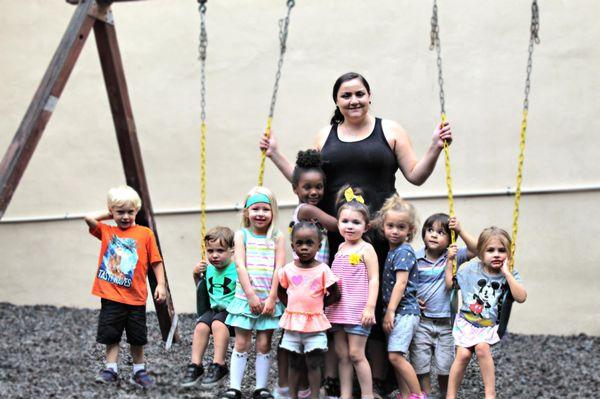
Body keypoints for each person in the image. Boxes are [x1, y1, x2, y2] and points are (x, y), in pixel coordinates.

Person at [260, 72, 453, 397]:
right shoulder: (326, 135)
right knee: (338, 303)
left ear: (369, 95)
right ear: (337, 101)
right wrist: (275, 153)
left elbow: (416, 175)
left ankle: (378, 379)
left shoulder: (389, 130)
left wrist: (435, 146)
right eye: (346, 95)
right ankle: (337, 379)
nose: (354, 101)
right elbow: (305, 180)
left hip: (382, 235)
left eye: (359, 94)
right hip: (338, 235)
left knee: (375, 302)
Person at [84, 185, 166, 389]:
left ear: (137, 211)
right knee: (111, 334)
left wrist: (161, 284)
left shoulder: (145, 234)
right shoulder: (107, 231)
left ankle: (139, 371)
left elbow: (156, 261)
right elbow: (88, 218)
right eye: (120, 212)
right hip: (112, 297)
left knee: (137, 337)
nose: (126, 216)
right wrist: (110, 212)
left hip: (136, 297)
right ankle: (110, 369)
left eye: (131, 211)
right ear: (112, 212)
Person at [274, 149, 338, 399]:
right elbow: (335, 225)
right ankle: (293, 388)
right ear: (296, 189)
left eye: (319, 187)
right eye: (307, 187)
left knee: (308, 345)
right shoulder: (306, 211)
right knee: (296, 343)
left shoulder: (309, 209)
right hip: (305, 284)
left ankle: (302, 388)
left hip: (313, 284)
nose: (314, 192)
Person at [219, 186, 286, 399]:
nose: (260, 214)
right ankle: (235, 388)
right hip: (245, 299)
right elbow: (240, 266)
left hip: (269, 300)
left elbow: (279, 268)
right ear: (247, 212)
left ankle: (261, 388)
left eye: (265, 209)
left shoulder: (277, 236)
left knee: (265, 343)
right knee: (241, 342)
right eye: (255, 208)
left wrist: (272, 298)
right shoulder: (242, 235)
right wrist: (250, 296)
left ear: (273, 212)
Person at [444, 227, 527, 399]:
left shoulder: (509, 274)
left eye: (501, 250)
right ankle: (450, 396)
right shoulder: (470, 270)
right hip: (466, 322)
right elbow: (450, 285)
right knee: (463, 354)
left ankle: (490, 394)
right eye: (490, 250)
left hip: (488, 326)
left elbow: (521, 297)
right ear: (481, 253)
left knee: (482, 347)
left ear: (509, 253)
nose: (496, 254)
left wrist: (507, 274)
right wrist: (450, 261)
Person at [410, 214, 477, 398]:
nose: (433, 235)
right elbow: (406, 285)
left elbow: (477, 249)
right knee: (420, 363)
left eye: (440, 232)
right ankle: (427, 394)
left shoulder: (452, 256)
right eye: (430, 230)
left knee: (445, 366)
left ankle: (445, 394)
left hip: (446, 323)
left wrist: (460, 231)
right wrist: (413, 299)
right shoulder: (415, 258)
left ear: (449, 239)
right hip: (422, 322)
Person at [324, 186, 379, 399]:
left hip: (358, 311)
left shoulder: (366, 249)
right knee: (342, 355)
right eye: (345, 221)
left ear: (365, 227)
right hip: (338, 309)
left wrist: (370, 307)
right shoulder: (340, 249)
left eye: (356, 222)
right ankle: (345, 395)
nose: (350, 226)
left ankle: (367, 395)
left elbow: (374, 279)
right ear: (338, 224)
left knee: (356, 354)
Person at [277, 221, 341, 399]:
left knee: (314, 363)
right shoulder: (288, 270)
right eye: (299, 243)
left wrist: (320, 304)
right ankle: (292, 396)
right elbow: (280, 290)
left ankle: (314, 396)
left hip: (314, 325)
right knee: (294, 362)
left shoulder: (323, 270)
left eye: (309, 243)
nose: (304, 247)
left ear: (319, 246)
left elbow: (335, 293)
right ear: (293, 246)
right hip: (293, 325)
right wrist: (290, 306)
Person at [375, 194, 423, 399]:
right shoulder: (393, 251)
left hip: (403, 312)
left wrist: (390, 312)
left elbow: (401, 283)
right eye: (391, 226)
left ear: (410, 230)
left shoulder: (403, 251)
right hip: (397, 312)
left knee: (395, 356)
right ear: (383, 226)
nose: (395, 231)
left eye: (401, 227)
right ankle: (405, 395)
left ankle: (417, 395)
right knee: (397, 355)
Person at [181, 227, 238, 388]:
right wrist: (195, 275)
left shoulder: (237, 269)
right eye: (210, 251)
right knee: (200, 326)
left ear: (232, 250)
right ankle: (195, 366)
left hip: (232, 311)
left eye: (220, 251)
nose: (214, 255)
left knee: (217, 324)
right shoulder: (208, 269)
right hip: (214, 310)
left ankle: (219, 365)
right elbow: (202, 290)